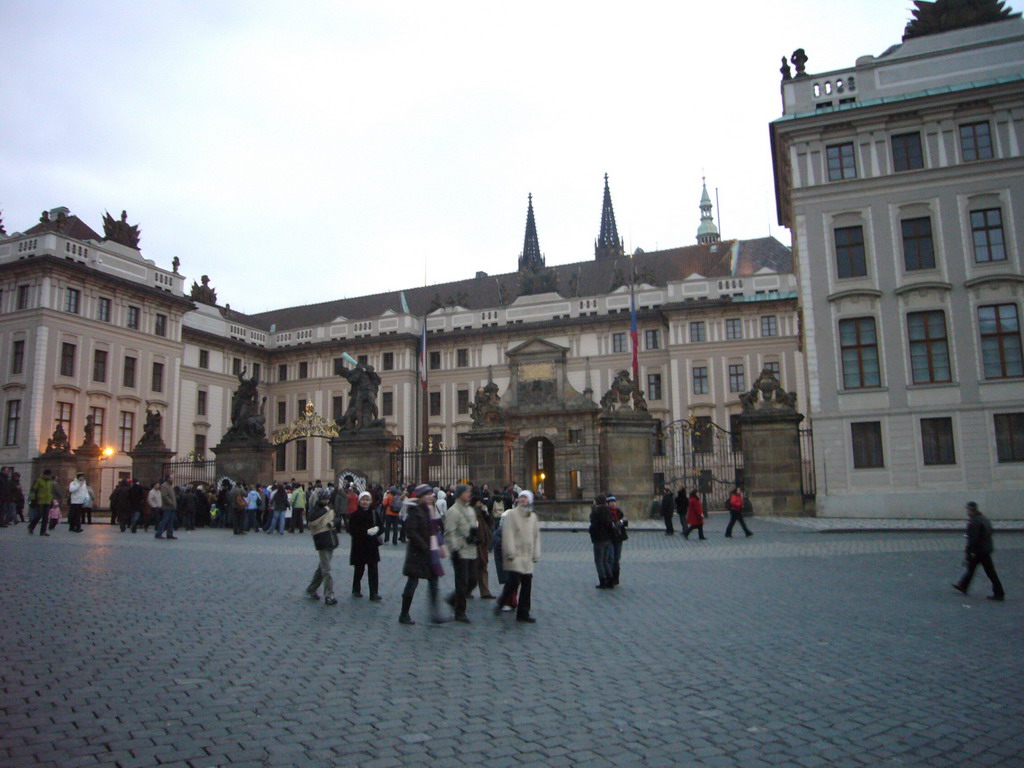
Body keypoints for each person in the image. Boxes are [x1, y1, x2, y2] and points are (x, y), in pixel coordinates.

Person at [398, 485, 449, 625]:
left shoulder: (431, 510)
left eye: (430, 494)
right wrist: (425, 546)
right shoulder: (415, 511)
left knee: (434, 583)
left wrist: (439, 545)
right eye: (426, 494)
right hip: (417, 553)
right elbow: (411, 532)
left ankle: (435, 614)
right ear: (420, 496)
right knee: (412, 583)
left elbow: (436, 529)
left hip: (430, 553)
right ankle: (404, 614)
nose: (429, 496)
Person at [494, 490, 541, 623]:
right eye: (521, 498)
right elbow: (507, 534)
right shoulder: (512, 515)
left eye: (525, 498)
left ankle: (523, 613)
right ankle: (502, 602)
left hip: (527, 556)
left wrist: (536, 554)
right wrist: (509, 552)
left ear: (530, 500)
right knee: (513, 583)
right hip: (515, 555)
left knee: (527, 586)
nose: (522, 500)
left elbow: (536, 536)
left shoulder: (532, 516)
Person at [953, 501, 1005, 601]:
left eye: (967, 509)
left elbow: (973, 538)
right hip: (985, 548)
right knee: (972, 568)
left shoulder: (974, 522)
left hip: (979, 550)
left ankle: (999, 593)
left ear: (970, 510)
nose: (966, 511)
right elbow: (989, 532)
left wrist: (968, 552)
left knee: (989, 572)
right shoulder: (983, 519)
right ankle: (963, 586)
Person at [444, 484, 478, 623]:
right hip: (460, 551)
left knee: (472, 580)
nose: (469, 494)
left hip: (471, 550)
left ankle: (453, 600)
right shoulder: (453, 511)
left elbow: (473, 526)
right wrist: (455, 549)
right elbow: (449, 532)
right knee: (462, 582)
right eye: (467, 492)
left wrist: (475, 535)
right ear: (459, 495)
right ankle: (460, 612)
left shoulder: (470, 509)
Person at [305, 490, 339, 605]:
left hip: (331, 539)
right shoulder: (315, 509)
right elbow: (312, 522)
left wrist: (333, 523)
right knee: (326, 570)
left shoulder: (330, 506)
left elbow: (337, 518)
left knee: (322, 568)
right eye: (324, 499)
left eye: (327, 499)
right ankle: (329, 594)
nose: (326, 501)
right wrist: (325, 510)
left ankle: (311, 589)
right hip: (322, 540)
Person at [349, 491, 382, 600]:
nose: (365, 502)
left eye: (367, 500)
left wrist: (377, 530)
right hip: (359, 546)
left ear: (370, 502)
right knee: (359, 569)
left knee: (373, 570)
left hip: (372, 546)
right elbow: (352, 530)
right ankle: (356, 589)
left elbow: (381, 526)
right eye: (363, 500)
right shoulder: (354, 515)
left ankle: (374, 593)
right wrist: (366, 532)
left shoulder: (374, 513)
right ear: (359, 501)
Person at [468, 491, 496, 599]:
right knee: (473, 570)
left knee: (483, 568)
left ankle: (485, 591)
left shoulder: (482, 514)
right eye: (479, 503)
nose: (481, 505)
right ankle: (467, 590)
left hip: (483, 545)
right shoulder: (472, 514)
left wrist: (486, 513)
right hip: (475, 546)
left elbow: (490, 523)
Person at [589, 495, 616, 589]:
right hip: (607, 538)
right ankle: (610, 580)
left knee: (598, 561)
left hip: (599, 539)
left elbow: (593, 526)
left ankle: (602, 581)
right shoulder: (608, 511)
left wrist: (591, 531)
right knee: (605, 560)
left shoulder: (596, 511)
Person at [28, 470, 58, 536]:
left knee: (46, 517)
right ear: (44, 475)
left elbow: (51, 492)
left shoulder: (50, 482)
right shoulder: (39, 481)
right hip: (40, 501)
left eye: (49, 475)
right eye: (47, 475)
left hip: (47, 501)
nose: (48, 476)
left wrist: (52, 500)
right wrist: (33, 499)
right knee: (39, 515)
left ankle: (43, 531)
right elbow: (34, 490)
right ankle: (31, 526)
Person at [607, 495, 627, 587]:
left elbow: (623, 522)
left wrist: (621, 523)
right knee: (611, 558)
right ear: (608, 503)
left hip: (618, 537)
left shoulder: (619, 513)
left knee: (617, 558)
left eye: (614, 502)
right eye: (611, 502)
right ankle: (610, 577)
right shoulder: (607, 513)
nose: (613, 503)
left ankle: (616, 578)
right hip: (610, 538)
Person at [154, 475, 178, 540]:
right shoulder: (164, 486)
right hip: (167, 506)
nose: (173, 479)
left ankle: (169, 534)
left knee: (171, 521)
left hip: (172, 507)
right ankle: (158, 534)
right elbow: (164, 496)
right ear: (168, 479)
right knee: (164, 520)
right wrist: (171, 503)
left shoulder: (170, 486)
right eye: (172, 478)